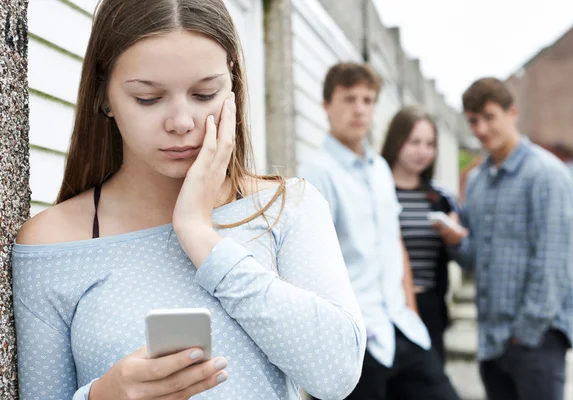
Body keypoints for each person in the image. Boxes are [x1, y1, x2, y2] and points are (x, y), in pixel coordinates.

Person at [11, 1, 366, 399]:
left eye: (204, 94)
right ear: (104, 96)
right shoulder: (53, 244)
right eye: (148, 98)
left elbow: (337, 373)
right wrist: (103, 396)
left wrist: (201, 237)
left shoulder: (286, 208)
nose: (181, 122)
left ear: (233, 88)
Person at [299, 63, 459, 400]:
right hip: (357, 338)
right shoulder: (316, 173)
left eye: (368, 100)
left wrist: (411, 309)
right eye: (349, 98)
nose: (359, 109)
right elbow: (309, 263)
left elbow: (394, 242)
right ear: (327, 105)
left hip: (401, 326)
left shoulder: (381, 169)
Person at [435, 77, 573, 400]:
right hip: (491, 342)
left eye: (489, 117)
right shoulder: (477, 181)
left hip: (536, 342)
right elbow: (476, 260)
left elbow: (551, 265)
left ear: (511, 112)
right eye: (473, 121)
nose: (481, 129)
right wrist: (455, 241)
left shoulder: (547, 175)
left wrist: (523, 336)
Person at [380, 106, 459, 365]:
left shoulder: (439, 198)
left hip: (429, 306)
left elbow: (458, 252)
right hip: (384, 307)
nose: (422, 151)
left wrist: (455, 237)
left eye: (429, 144)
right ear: (396, 141)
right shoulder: (377, 191)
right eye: (414, 142)